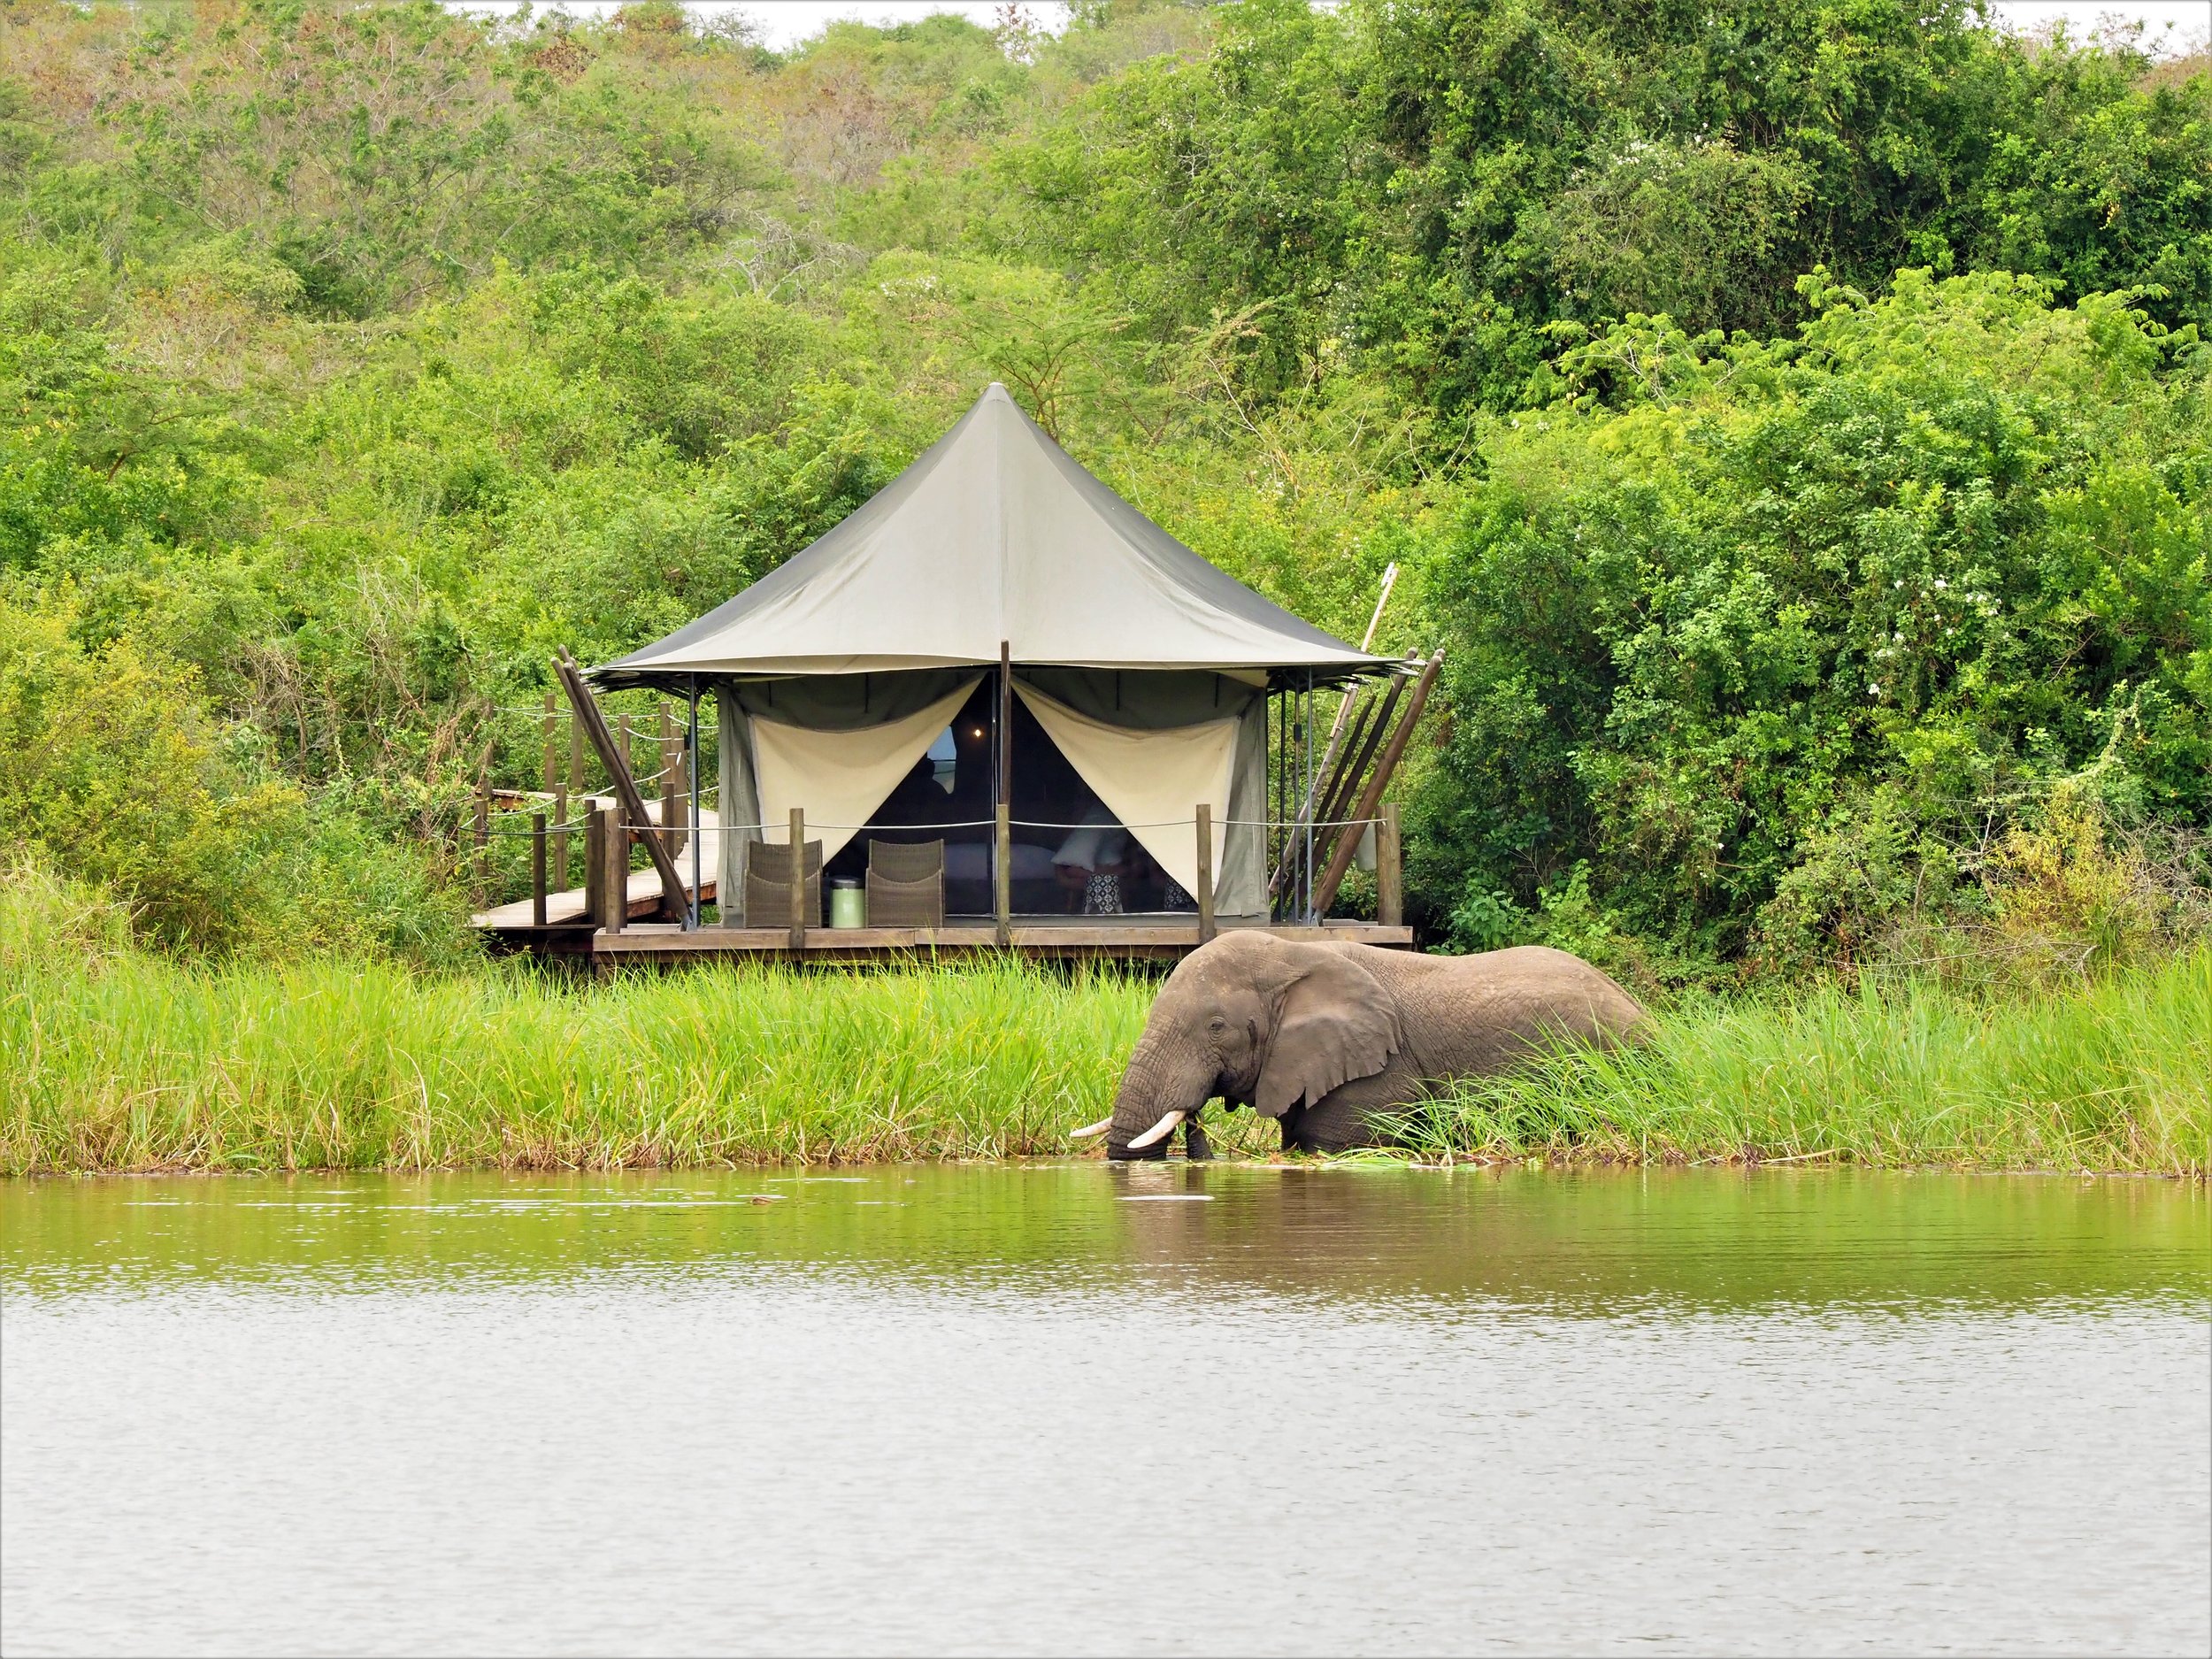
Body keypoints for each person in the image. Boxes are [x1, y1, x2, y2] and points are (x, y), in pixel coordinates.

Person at [1053, 802, 1129, 914]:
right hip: (1091, 871)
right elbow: (1063, 870)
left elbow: (1128, 869)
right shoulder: (1078, 831)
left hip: (1109, 870)